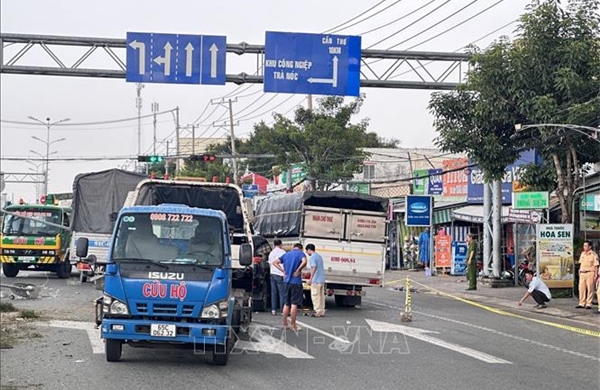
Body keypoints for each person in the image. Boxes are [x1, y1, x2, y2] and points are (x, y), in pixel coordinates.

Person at [273, 243, 307, 332]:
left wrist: (283, 271)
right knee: (294, 304)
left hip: (286, 281)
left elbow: (275, 262)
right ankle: (293, 325)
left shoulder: (286, 254)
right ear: (301, 248)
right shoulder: (300, 254)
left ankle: (284, 324)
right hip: (296, 282)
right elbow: (304, 261)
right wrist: (298, 270)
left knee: (286, 303)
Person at [575, 240, 599, 309]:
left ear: (590, 247)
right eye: (584, 245)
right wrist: (579, 271)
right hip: (583, 273)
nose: (584, 247)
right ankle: (581, 303)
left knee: (590, 289)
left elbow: (596, 265)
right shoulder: (582, 254)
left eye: (586, 246)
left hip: (590, 273)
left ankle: (589, 303)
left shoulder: (593, 255)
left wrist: (596, 275)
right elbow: (581, 263)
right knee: (581, 288)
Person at [306, 243, 325, 317]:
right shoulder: (319, 256)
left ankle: (317, 311)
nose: (307, 253)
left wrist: (310, 278)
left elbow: (314, 267)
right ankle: (321, 311)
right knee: (321, 297)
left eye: (307, 251)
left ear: (309, 250)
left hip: (316, 280)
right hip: (321, 279)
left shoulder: (313, 257)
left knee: (315, 296)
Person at [267, 239, 286, 316]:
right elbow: (285, 263)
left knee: (273, 292)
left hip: (272, 273)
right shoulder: (283, 252)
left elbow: (270, 263)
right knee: (282, 292)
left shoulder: (271, 253)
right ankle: (282, 310)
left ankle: (273, 310)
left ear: (274, 245)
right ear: (281, 244)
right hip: (280, 273)